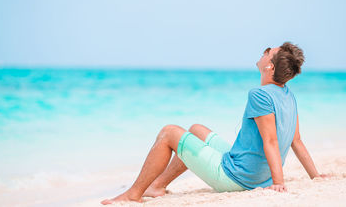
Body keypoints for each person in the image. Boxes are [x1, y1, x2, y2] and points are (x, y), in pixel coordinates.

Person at [101, 41, 327, 204]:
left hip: (238, 178)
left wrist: (279, 182)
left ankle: (133, 194)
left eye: (269, 52)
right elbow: (296, 141)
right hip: (256, 172)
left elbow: (270, 141)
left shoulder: (260, 95)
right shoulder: (287, 94)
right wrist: (315, 176)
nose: (265, 51)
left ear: (270, 67)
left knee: (169, 132)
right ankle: (157, 186)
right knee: (196, 130)